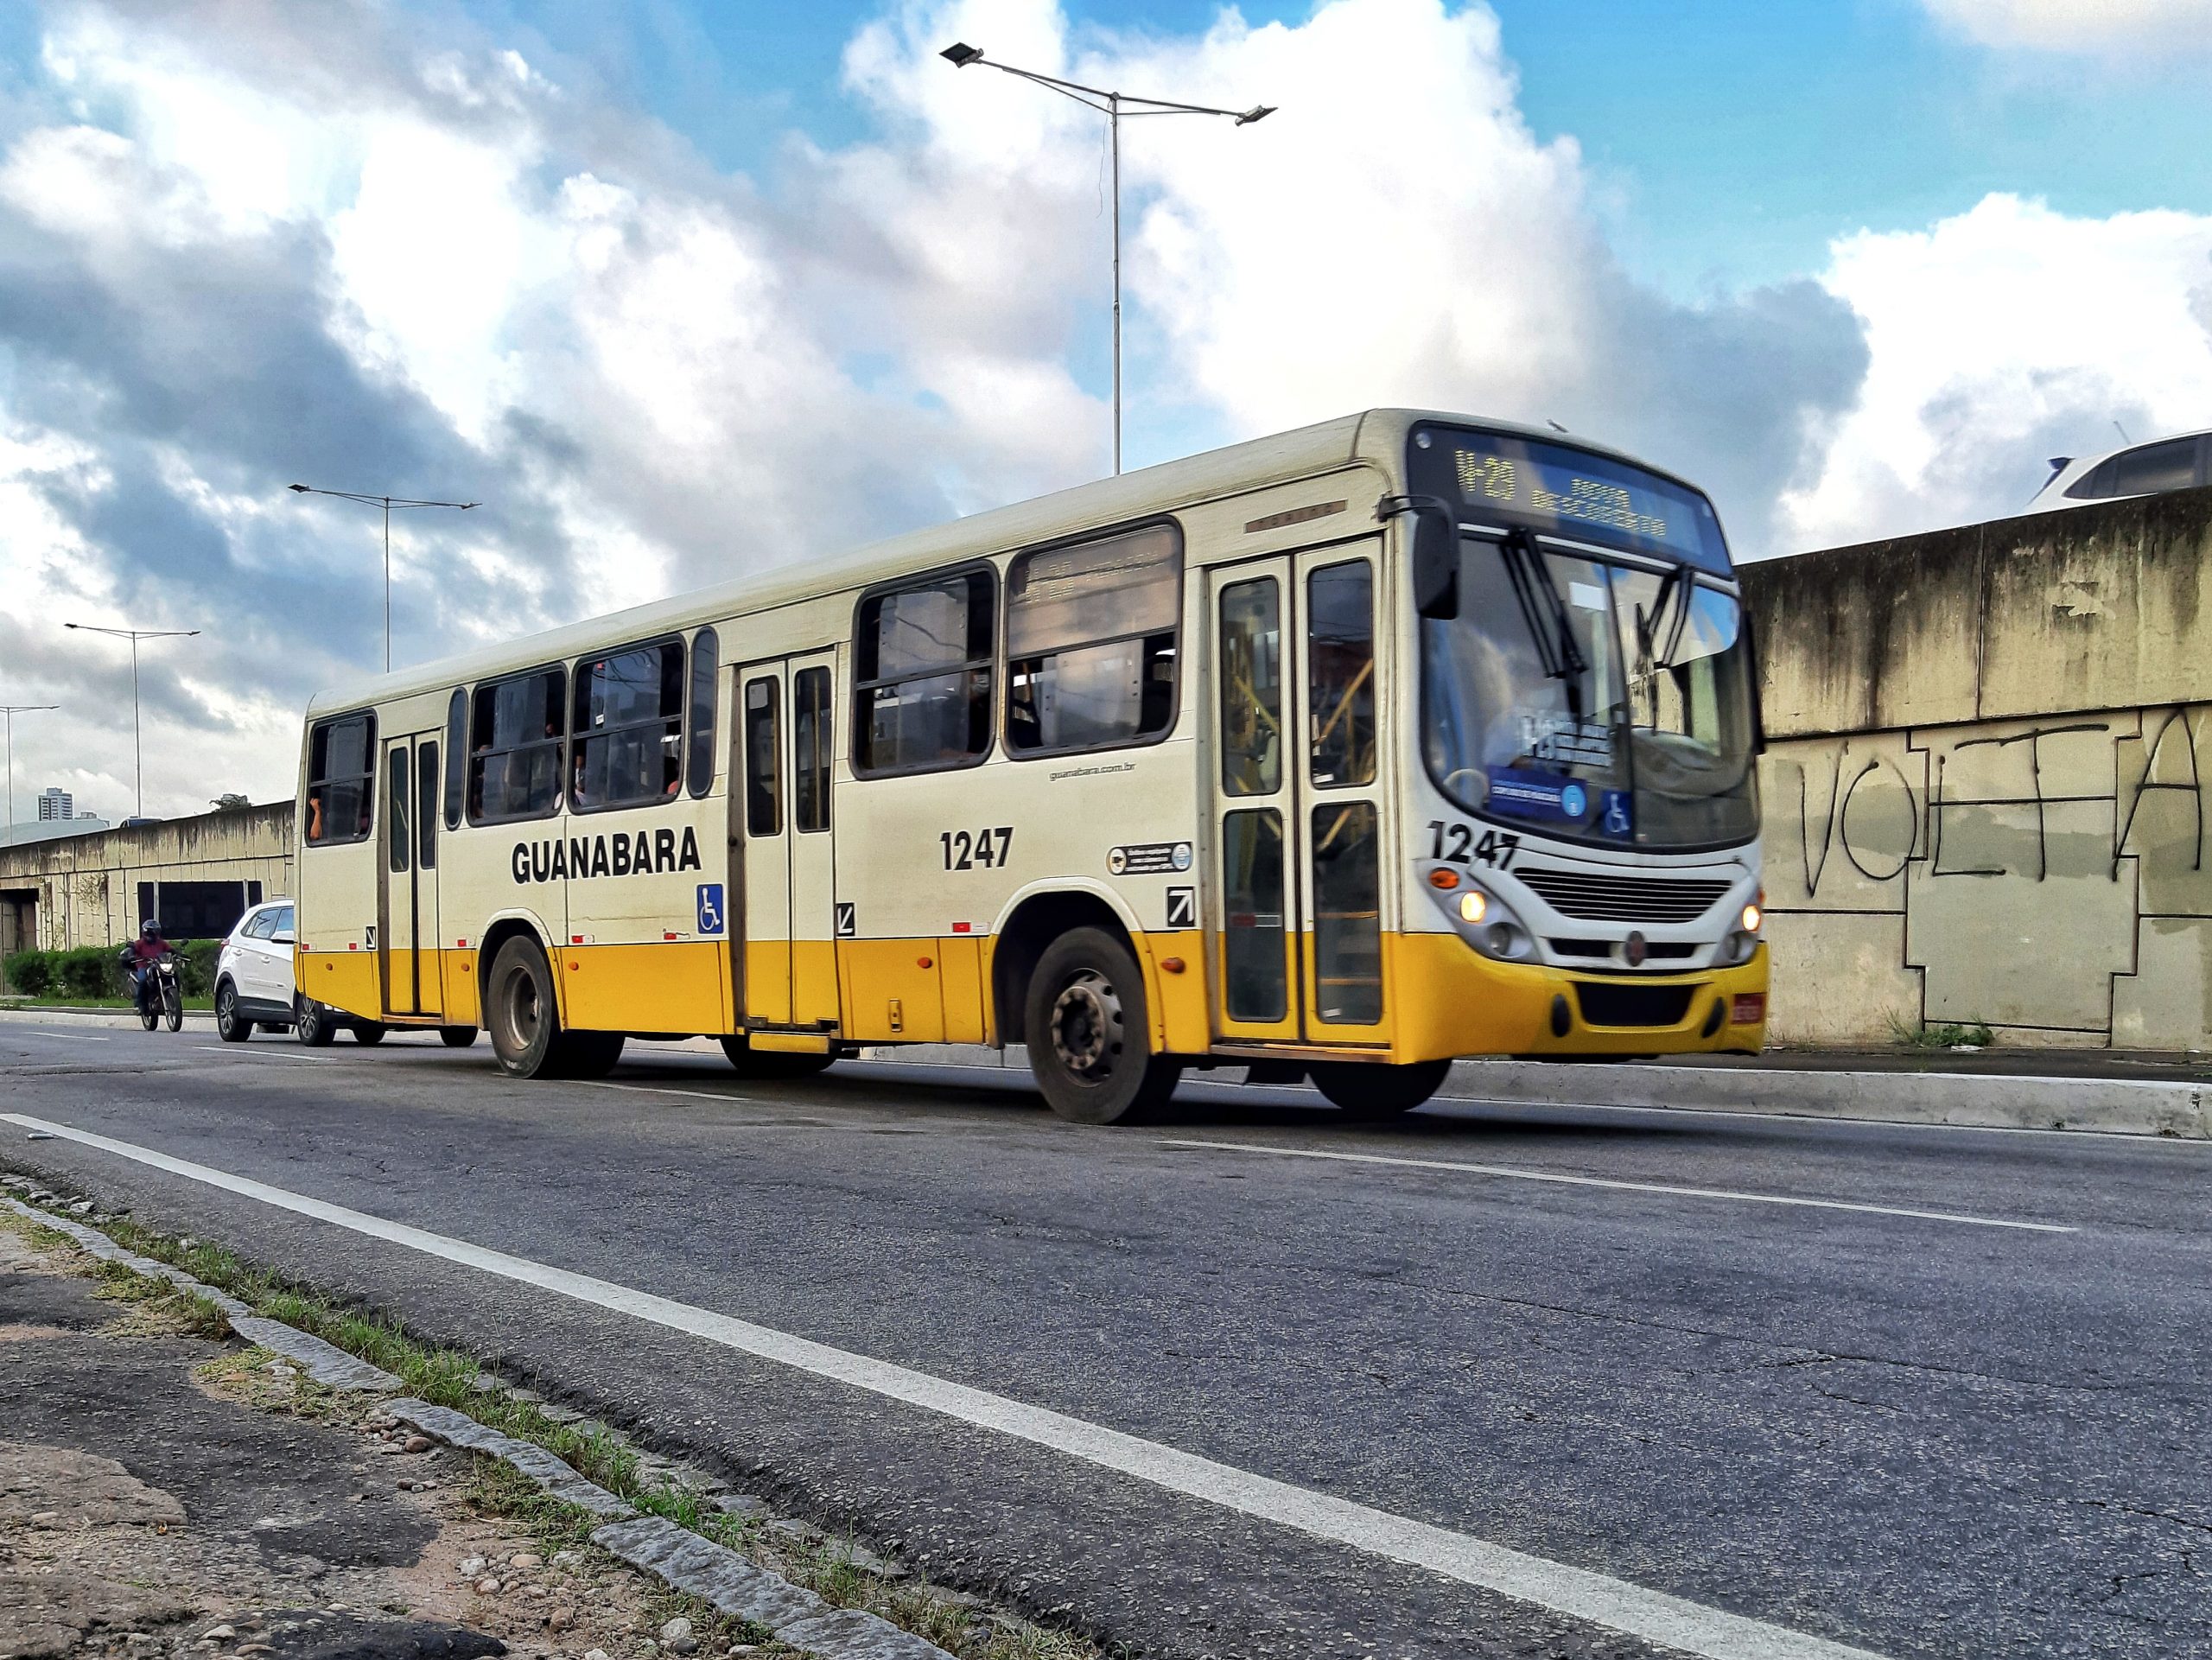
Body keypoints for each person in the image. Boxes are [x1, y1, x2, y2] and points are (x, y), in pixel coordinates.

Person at [119, 921, 169, 1018]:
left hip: (158, 966)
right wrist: (132, 956)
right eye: (149, 932)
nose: (151, 935)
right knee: (143, 980)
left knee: (173, 974)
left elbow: (170, 950)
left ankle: (172, 999)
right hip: (143, 966)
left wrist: (179, 954)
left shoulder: (162, 943)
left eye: (154, 932)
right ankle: (141, 1005)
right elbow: (132, 951)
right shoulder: (139, 943)